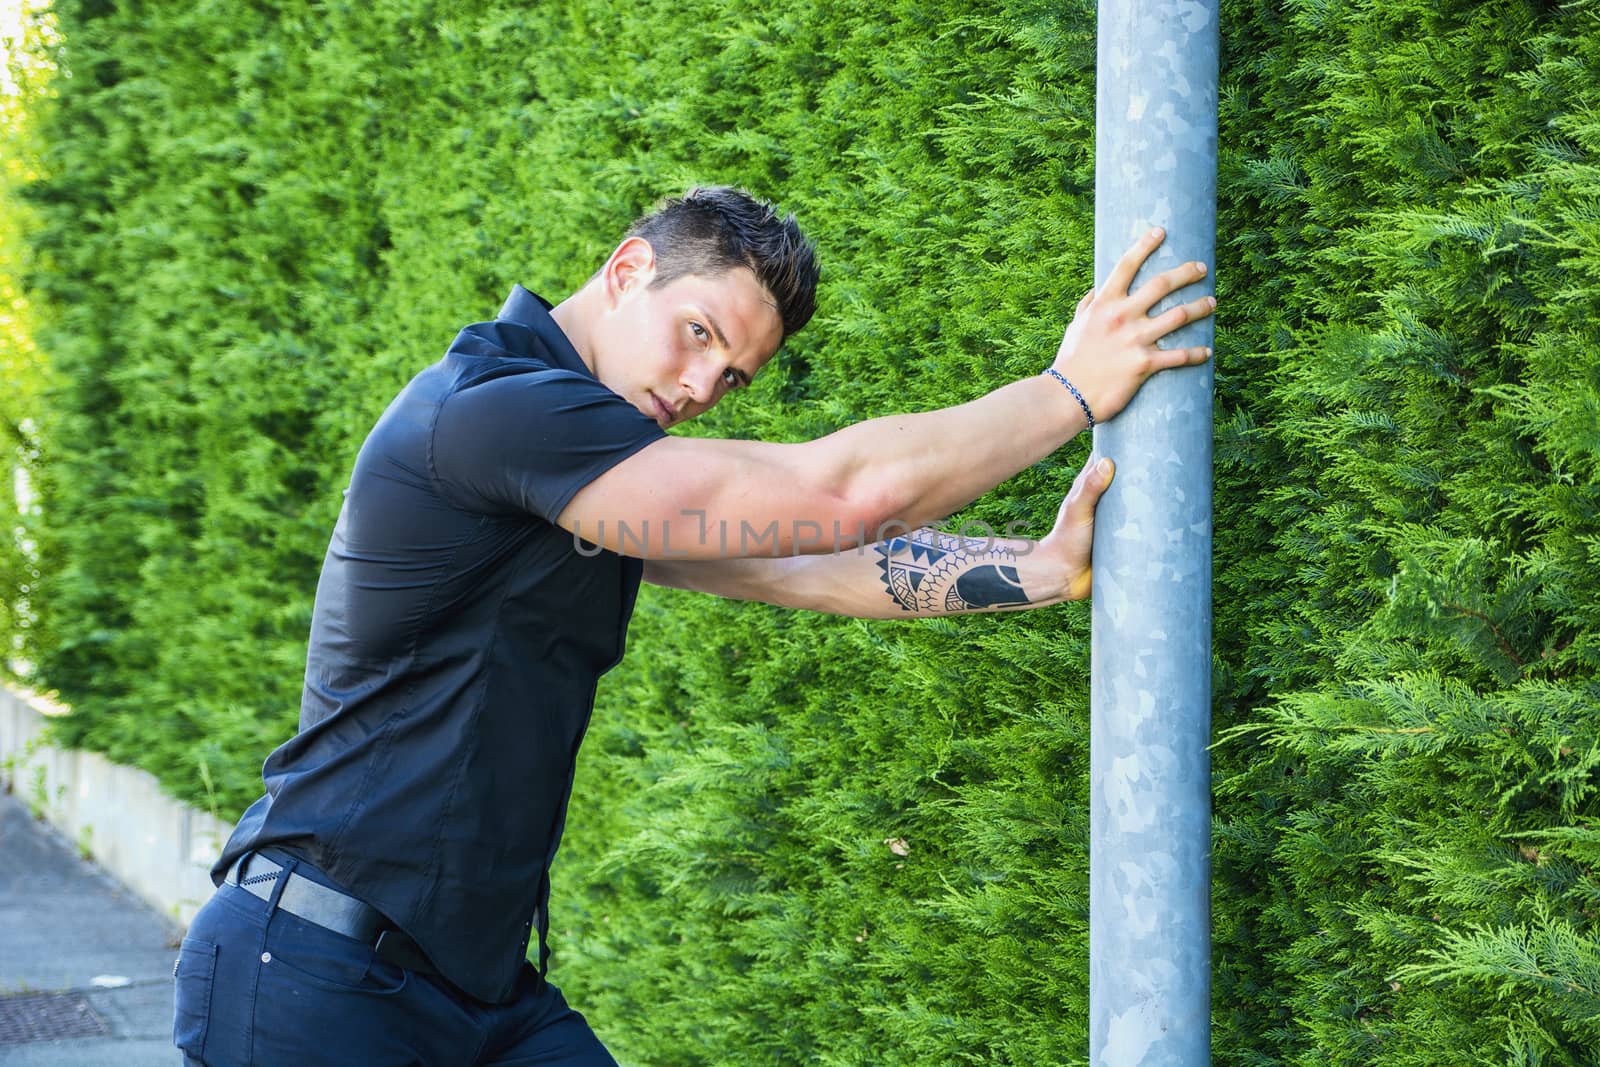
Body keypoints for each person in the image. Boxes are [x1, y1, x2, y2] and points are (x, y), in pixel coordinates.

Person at [171, 186, 1214, 1066]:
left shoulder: (587, 472)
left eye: (730, 375)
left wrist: (1027, 570)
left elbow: (806, 564)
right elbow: (839, 492)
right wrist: (1070, 389)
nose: (699, 386)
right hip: (313, 976)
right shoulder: (496, 411)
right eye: (698, 334)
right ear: (629, 270)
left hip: (473, 991)